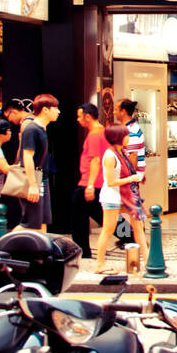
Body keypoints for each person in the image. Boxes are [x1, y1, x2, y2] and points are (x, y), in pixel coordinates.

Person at [93, 125, 147, 274]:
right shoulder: (110, 155)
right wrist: (131, 178)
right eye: (126, 135)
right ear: (118, 137)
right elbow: (110, 182)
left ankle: (148, 260)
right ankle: (100, 264)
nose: (128, 138)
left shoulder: (122, 152)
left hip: (126, 196)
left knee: (138, 226)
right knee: (108, 230)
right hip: (112, 197)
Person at [19, 94, 60, 232]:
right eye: (55, 108)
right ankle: (1, 247)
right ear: (45, 110)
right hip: (34, 179)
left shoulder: (42, 128)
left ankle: (43, 251)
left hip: (42, 178)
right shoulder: (31, 129)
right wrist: (32, 185)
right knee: (30, 223)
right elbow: (27, 157)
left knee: (43, 220)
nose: (58, 111)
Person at [71, 102, 107, 259]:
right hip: (100, 182)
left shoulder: (93, 135)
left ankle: (82, 251)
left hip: (89, 183)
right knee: (104, 215)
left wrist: (90, 185)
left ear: (87, 116)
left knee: (78, 218)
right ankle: (131, 236)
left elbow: (95, 160)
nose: (78, 120)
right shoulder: (104, 132)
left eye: (79, 116)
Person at [116, 97, 147, 236]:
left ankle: (134, 235)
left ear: (123, 111)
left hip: (129, 176)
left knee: (131, 206)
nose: (115, 112)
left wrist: (130, 177)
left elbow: (132, 156)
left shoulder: (131, 131)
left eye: (117, 109)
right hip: (131, 176)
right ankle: (131, 235)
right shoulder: (130, 128)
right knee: (129, 206)